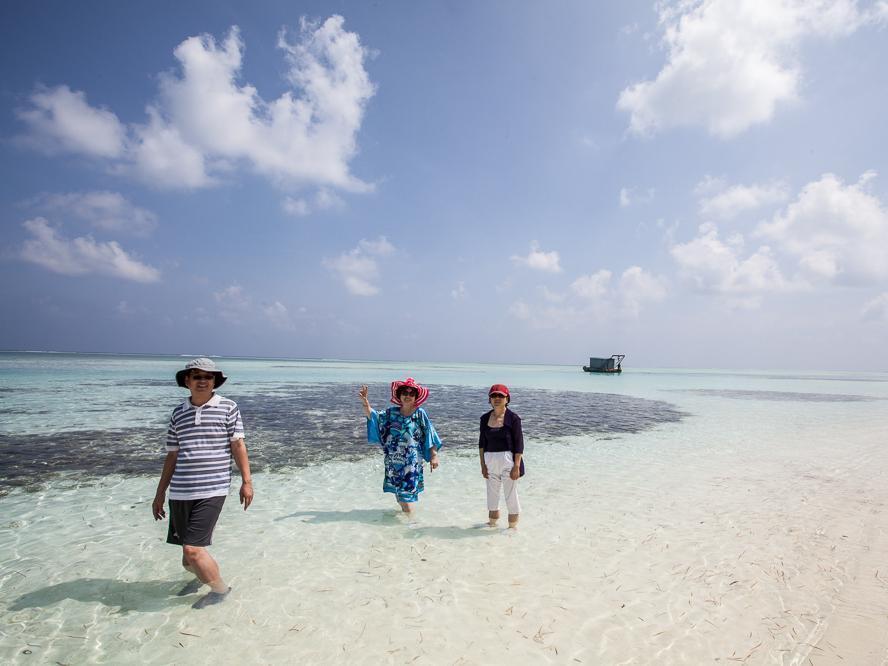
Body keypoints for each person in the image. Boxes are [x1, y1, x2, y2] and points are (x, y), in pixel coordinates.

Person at [152, 357, 253, 609]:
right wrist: (159, 494)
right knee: (187, 559)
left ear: (214, 381)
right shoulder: (178, 413)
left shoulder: (228, 407)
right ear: (187, 381)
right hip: (181, 491)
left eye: (208, 377)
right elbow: (172, 454)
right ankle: (201, 577)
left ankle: (221, 590)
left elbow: (238, 444)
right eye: (197, 376)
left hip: (213, 488)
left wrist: (246, 481)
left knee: (193, 551)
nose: (202, 381)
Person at [358, 378, 442, 514]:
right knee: (399, 494)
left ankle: (411, 525)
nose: (407, 396)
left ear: (415, 397)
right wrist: (365, 403)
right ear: (399, 395)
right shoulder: (391, 413)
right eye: (404, 392)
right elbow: (374, 418)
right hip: (393, 462)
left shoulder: (420, 414)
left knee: (406, 497)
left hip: (411, 464)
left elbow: (430, 435)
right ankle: (405, 522)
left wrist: (434, 456)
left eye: (411, 393)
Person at [479, 384, 524, 529]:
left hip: (508, 461)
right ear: (489, 399)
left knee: (511, 496)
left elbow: (519, 444)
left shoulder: (513, 418)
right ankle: (491, 525)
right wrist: (482, 465)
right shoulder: (484, 418)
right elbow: (481, 444)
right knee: (491, 496)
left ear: (507, 399)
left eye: (500, 396)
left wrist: (516, 466)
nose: (497, 398)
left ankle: (512, 528)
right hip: (489, 461)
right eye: (493, 396)